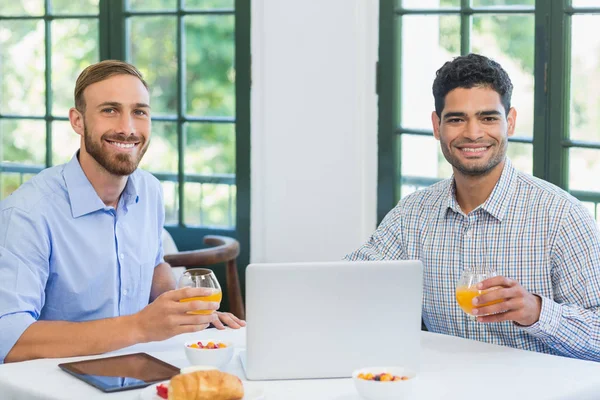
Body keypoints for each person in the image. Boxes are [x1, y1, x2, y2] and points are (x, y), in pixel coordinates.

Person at [346, 53, 600, 361]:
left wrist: (537, 312)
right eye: (456, 119)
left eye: (488, 118)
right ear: (437, 126)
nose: (473, 133)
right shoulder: (411, 216)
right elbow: (352, 282)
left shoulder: (562, 217)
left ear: (511, 121)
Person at [0, 60, 244, 364]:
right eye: (109, 110)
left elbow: (153, 266)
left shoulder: (149, 190)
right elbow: (7, 338)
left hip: (139, 372)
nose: (127, 128)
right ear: (77, 121)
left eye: (139, 112)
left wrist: (185, 312)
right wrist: (140, 327)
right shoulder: (26, 213)